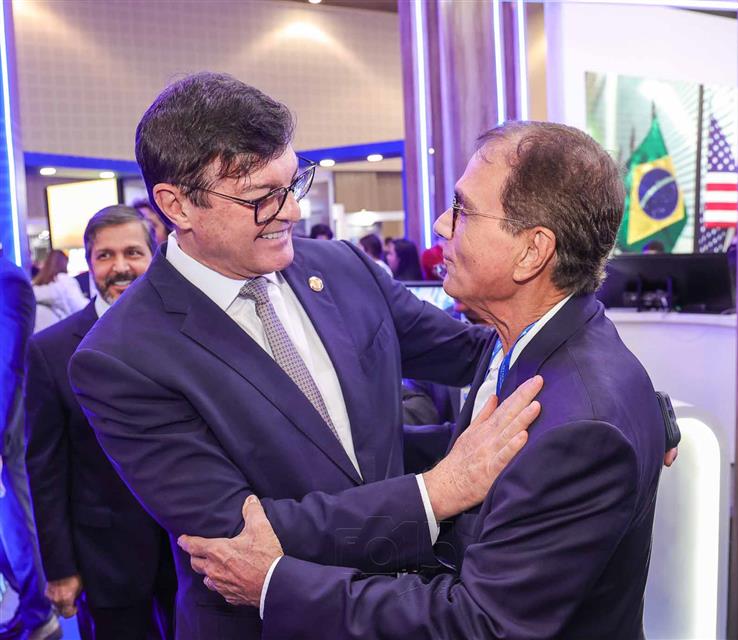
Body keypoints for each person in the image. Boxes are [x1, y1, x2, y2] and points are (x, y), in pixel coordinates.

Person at [67, 72, 542, 640]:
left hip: (411, 606)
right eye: (261, 198)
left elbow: (473, 352)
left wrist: (589, 374)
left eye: (293, 183)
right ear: (178, 205)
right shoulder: (120, 357)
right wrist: (437, 491)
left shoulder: (342, 267)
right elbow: (238, 537)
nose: (291, 210)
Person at [181, 121, 668, 640]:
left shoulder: (580, 425)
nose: (440, 225)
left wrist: (278, 585)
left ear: (532, 251)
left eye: (463, 210)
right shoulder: (522, 348)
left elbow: (482, 624)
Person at [25, 206, 176, 640]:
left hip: (193, 550)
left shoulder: (189, 330)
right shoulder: (51, 350)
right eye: (105, 255)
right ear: (89, 264)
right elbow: (46, 470)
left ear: (154, 255)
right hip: (106, 557)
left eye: (133, 252)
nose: (120, 266)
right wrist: (60, 568)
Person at [0, 253, 61, 640]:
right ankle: (30, 607)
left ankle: (39, 613)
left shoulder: (8, 280)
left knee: (16, 522)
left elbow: (8, 366)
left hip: (7, 427)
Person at [31, 250, 87, 333]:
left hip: (36, 335)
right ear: (64, 263)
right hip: (59, 334)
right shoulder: (64, 281)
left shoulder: (34, 285)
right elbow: (80, 307)